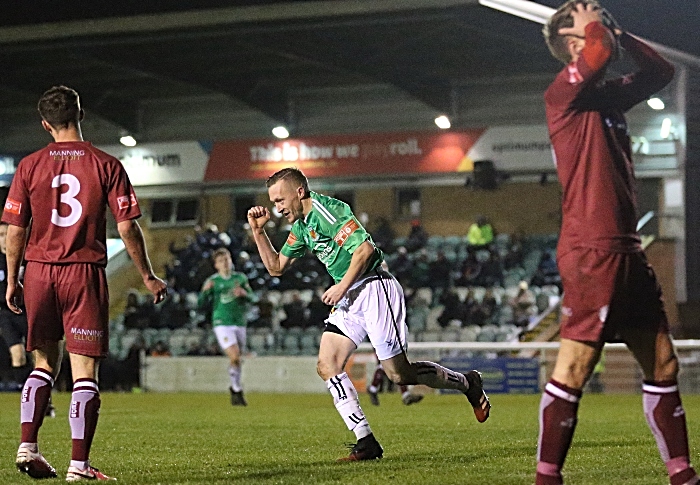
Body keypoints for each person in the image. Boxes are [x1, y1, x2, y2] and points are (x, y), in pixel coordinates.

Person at [537, 4, 697, 485]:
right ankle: (548, 477)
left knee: (663, 362)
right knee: (576, 366)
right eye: (585, 18)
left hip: (628, 250)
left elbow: (661, 71)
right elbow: (600, 50)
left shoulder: (606, 100)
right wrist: (599, 32)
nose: (597, 15)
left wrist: (619, 34)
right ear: (572, 45)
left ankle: (682, 473)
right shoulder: (562, 95)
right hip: (592, 250)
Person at [247, 167, 490, 462]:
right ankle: (366, 442)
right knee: (327, 364)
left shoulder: (327, 210)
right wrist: (258, 232)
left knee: (399, 374)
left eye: (280, 200)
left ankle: (467, 383)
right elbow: (275, 267)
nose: (277, 208)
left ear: (299, 192)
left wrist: (340, 287)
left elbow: (363, 251)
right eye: (273, 203)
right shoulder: (301, 227)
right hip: (350, 297)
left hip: (375, 287)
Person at [2, 85, 167, 481]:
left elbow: (14, 230)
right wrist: (146, 273)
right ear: (81, 115)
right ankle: (78, 465)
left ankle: (28, 447)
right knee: (83, 372)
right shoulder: (105, 164)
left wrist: (12, 279)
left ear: (45, 124)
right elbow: (127, 226)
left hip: (40, 271)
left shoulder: (29, 165)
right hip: (83, 272)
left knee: (42, 363)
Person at [198, 247, 256, 406]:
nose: (225, 263)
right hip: (221, 322)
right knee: (235, 356)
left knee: (237, 360)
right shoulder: (213, 282)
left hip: (239, 322)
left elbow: (253, 297)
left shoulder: (240, 278)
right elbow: (200, 304)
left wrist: (244, 294)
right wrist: (204, 292)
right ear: (216, 265)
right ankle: (236, 389)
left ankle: (235, 388)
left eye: (227, 259)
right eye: (221, 261)